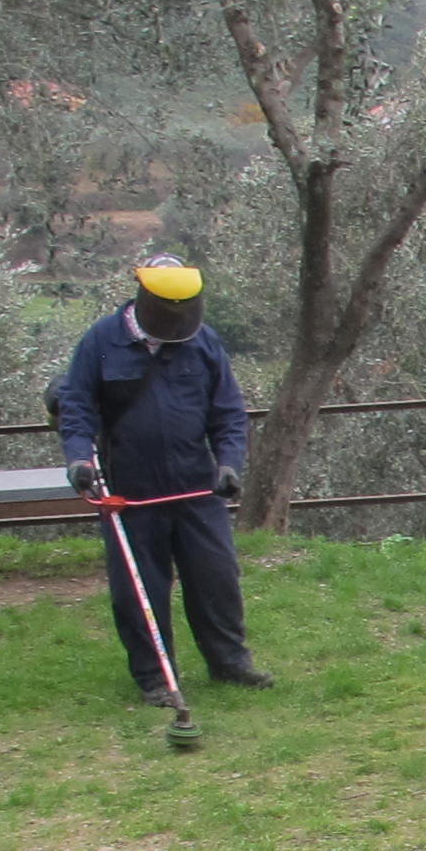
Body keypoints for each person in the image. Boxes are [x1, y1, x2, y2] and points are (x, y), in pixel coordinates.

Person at [51, 256, 271, 705]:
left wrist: (228, 464)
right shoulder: (101, 341)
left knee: (216, 578)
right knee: (139, 589)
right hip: (130, 489)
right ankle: (156, 678)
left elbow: (228, 412)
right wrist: (79, 461)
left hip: (197, 485)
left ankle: (229, 663)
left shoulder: (204, 342)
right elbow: (76, 407)